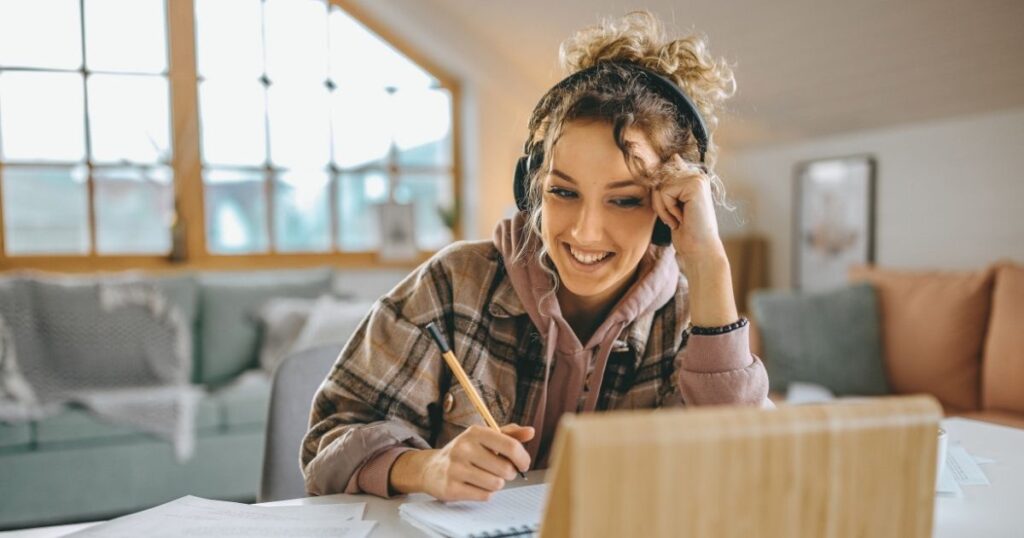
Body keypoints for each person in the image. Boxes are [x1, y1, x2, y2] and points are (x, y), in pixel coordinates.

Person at [301, 11, 770, 503]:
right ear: (531, 189)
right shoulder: (453, 284)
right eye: (563, 192)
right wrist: (427, 467)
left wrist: (712, 266)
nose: (586, 231)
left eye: (625, 199)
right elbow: (326, 447)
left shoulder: (692, 317)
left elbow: (741, 468)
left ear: (663, 210)